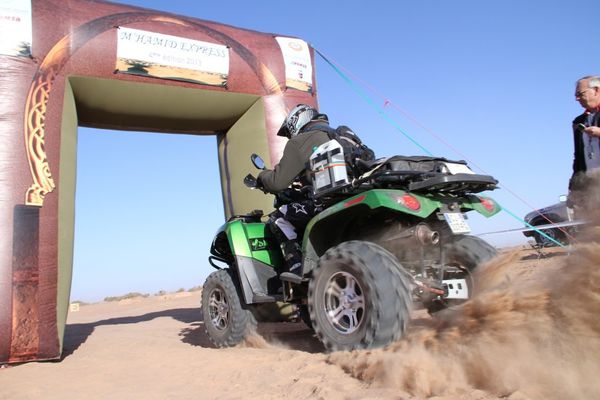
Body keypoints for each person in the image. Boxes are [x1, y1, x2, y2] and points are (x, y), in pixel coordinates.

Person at [257, 104, 332, 276]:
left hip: (324, 203)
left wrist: (263, 176)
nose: (289, 136)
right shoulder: (341, 135)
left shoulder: (300, 141)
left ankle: (298, 270)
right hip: (349, 195)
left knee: (278, 218)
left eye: (289, 132)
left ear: (295, 122)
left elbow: (277, 182)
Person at [568, 75, 600, 208]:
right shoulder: (578, 121)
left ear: (597, 90)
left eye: (580, 94)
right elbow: (578, 157)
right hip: (592, 187)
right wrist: (574, 189)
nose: (576, 98)